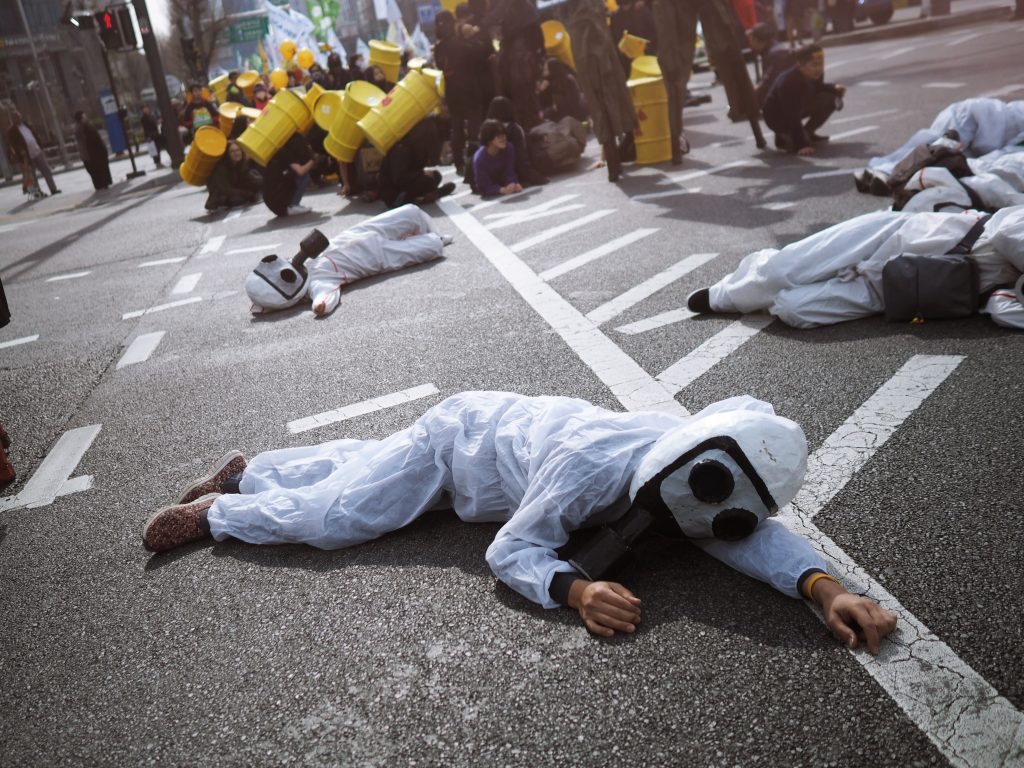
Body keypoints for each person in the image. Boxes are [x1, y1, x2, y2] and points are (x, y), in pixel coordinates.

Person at [141, 390, 899, 650]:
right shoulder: (595, 460)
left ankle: (253, 470)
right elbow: (512, 549)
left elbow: (740, 527)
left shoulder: (691, 462)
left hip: (497, 458)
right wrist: (572, 590)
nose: (708, 522)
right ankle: (220, 517)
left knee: (367, 463)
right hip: (462, 444)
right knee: (349, 512)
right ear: (689, 454)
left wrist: (822, 586)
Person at [685, 205, 1024, 329]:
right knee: (784, 270)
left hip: (891, 290)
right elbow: (1008, 232)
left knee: (793, 310)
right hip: (892, 236)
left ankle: (759, 292)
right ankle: (724, 295)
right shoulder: (1017, 223)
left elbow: (1004, 313)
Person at [567, 0, 637, 182]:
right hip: (601, 67)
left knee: (603, 113)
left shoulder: (576, 15)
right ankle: (617, 161)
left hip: (592, 69)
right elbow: (601, 40)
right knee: (611, 109)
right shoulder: (589, 12)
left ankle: (615, 164)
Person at [434, 11, 492, 176]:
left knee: (457, 126)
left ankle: (459, 161)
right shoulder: (459, 43)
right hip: (469, 89)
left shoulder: (438, 48)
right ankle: (475, 157)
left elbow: (440, 67)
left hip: (452, 92)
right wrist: (472, 36)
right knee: (474, 124)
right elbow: (481, 52)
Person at [762, 44, 845, 156]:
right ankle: (783, 136)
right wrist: (801, 145)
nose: (818, 69)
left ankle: (807, 132)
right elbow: (792, 115)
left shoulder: (814, 74)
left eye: (821, 65)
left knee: (830, 98)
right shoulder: (789, 82)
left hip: (797, 107)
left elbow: (817, 87)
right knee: (797, 145)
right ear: (800, 65)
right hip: (778, 117)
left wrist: (834, 88)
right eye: (814, 65)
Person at [378, 118, 457, 208]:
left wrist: (423, 173)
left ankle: (427, 194)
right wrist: (420, 174)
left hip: (407, 181)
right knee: (427, 181)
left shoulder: (416, 145)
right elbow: (399, 178)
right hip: (394, 192)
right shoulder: (402, 148)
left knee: (436, 175)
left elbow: (416, 166)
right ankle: (431, 194)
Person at [494, 0, 546, 129]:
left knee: (521, 106)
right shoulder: (526, 10)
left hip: (513, 70)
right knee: (530, 103)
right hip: (525, 65)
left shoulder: (505, 10)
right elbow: (537, 35)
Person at [487, 96, 548, 186]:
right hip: (513, 173)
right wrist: (539, 178)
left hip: (492, 175)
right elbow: (521, 160)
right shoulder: (514, 129)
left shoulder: (487, 128)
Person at [6, 110, 60, 196]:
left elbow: (35, 135)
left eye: (19, 116)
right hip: (26, 156)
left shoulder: (27, 124)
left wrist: (40, 145)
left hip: (37, 151)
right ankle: (36, 193)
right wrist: (20, 152)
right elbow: (13, 144)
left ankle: (53, 189)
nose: (18, 118)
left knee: (46, 170)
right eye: (16, 117)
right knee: (32, 176)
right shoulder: (12, 131)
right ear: (13, 119)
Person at [262, 132, 315, 217]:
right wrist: (313, 160)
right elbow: (300, 171)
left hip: (272, 199)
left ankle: (292, 205)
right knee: (305, 176)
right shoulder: (286, 153)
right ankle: (293, 205)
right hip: (278, 201)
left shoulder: (280, 150)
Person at [747, 22, 794, 109]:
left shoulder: (775, 54)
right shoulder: (772, 49)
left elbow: (768, 82)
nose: (750, 43)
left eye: (751, 39)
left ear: (757, 40)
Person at [205, 141, 261, 211]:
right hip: (221, 196)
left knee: (258, 183)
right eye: (232, 151)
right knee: (237, 200)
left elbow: (248, 178)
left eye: (238, 150)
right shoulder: (221, 168)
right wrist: (248, 194)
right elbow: (225, 190)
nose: (237, 153)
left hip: (236, 190)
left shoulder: (240, 164)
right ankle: (221, 205)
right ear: (227, 154)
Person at [473, 119, 522, 196]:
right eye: (499, 136)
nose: (503, 138)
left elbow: (509, 171)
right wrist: (500, 190)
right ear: (489, 138)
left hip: (498, 180)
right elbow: (483, 187)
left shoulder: (508, 148)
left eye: (504, 135)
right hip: (477, 178)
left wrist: (512, 183)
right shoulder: (480, 159)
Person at [537, 58, 589, 124]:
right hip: (560, 117)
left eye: (545, 70)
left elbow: (567, 104)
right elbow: (542, 107)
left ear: (553, 71)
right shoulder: (547, 85)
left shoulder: (568, 81)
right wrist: (541, 91)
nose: (543, 73)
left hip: (572, 118)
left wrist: (550, 110)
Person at [73, 111, 112, 191]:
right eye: (84, 116)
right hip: (92, 153)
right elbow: (94, 139)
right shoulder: (85, 127)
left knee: (94, 172)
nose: (86, 117)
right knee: (99, 169)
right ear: (81, 118)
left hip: (87, 154)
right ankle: (103, 184)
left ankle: (99, 185)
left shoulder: (78, 128)